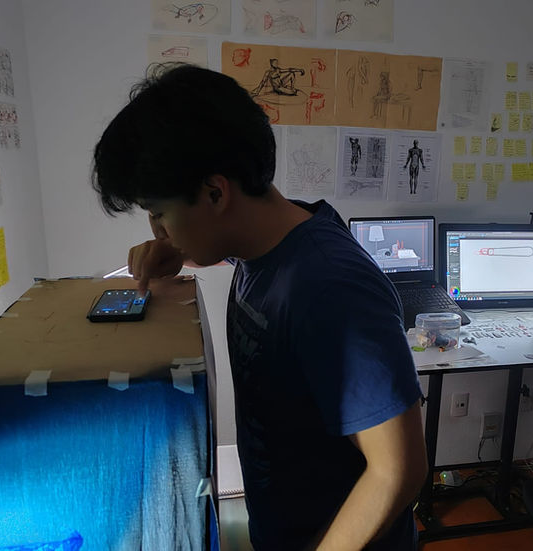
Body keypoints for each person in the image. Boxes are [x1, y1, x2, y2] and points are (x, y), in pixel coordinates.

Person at [91, 64, 427, 551]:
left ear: (215, 192)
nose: (156, 230)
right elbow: (255, 256)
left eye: (160, 214)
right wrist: (180, 252)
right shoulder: (265, 242)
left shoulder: (332, 289)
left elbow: (398, 470)